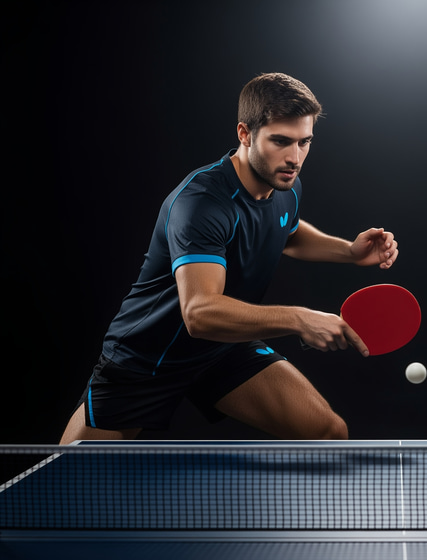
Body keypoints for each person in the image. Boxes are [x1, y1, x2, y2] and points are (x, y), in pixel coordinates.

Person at [60, 72, 399, 444]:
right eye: (281, 142)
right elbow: (200, 314)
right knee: (72, 482)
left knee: (328, 432)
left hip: (223, 347)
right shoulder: (201, 204)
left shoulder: (284, 184)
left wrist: (348, 251)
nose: (295, 157)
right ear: (244, 134)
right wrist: (299, 318)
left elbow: (286, 229)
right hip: (148, 357)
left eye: (305, 142)